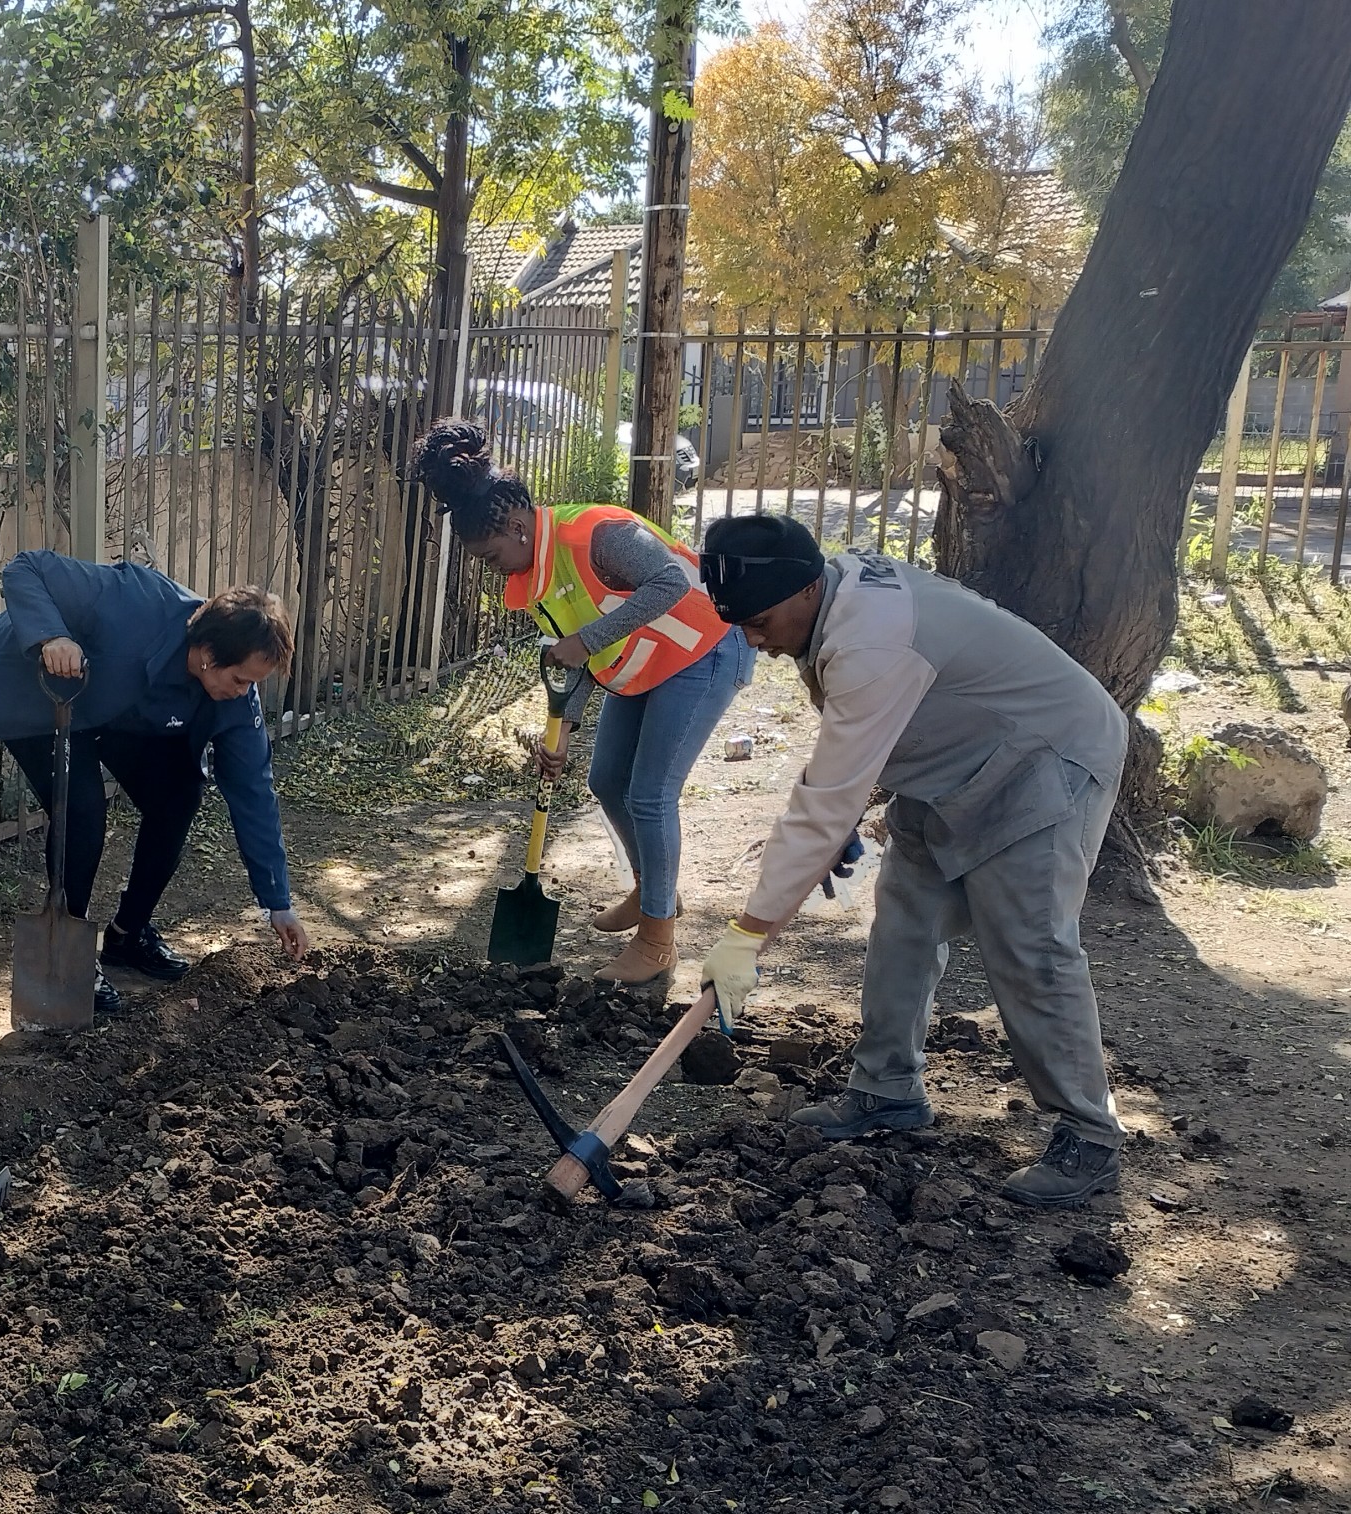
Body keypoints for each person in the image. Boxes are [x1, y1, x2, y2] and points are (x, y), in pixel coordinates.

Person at [692, 513, 1130, 1210]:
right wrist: (842, 806)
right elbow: (852, 752)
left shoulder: (871, 639)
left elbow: (821, 804)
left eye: (760, 622)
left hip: (1042, 757)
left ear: (805, 591)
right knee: (904, 922)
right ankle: (886, 1088)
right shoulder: (831, 601)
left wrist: (747, 937)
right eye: (739, 625)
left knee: (1030, 944)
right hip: (948, 766)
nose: (753, 640)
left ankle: (1090, 1134)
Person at [409, 419, 751, 982]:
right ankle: (651, 890)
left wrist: (585, 641)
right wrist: (562, 731)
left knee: (650, 794)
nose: (491, 569)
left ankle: (658, 940)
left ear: (518, 527)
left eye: (492, 556)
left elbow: (670, 584)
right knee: (605, 779)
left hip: (705, 648)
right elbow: (576, 657)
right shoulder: (538, 571)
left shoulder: (594, 533)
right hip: (646, 666)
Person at [0, 551, 310, 1014]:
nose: (244, 691)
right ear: (206, 653)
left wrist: (277, 902)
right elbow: (26, 568)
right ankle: (68, 947)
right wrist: (52, 636)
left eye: (251, 684)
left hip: (121, 711)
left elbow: (254, 790)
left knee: (179, 792)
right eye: (240, 679)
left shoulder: (234, 700)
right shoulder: (131, 602)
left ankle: (127, 935)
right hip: (45, 693)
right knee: (83, 812)